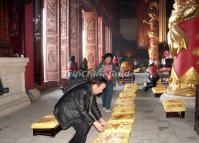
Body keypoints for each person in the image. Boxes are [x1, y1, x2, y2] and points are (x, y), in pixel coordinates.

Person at [53, 77, 108, 143]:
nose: (101, 91)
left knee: (86, 124)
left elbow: (94, 106)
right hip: (65, 111)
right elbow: (82, 111)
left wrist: (101, 119)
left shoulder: (91, 88)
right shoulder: (82, 91)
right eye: (101, 89)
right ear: (95, 86)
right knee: (84, 126)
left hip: (75, 108)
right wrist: (95, 123)